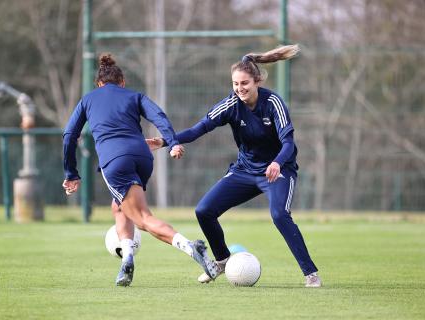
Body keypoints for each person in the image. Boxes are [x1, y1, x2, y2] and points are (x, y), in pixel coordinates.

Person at [148, 44, 322, 288]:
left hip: (278, 170)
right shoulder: (231, 104)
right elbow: (199, 129)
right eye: (235, 84)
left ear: (257, 81)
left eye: (244, 84)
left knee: (279, 215)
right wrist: (166, 141)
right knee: (204, 210)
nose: (239, 89)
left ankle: (311, 274)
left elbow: (289, 143)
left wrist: (277, 163)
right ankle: (221, 261)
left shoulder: (273, 103)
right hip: (245, 170)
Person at [62, 53, 217, 287]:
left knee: (143, 218)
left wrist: (71, 173)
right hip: (143, 156)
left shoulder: (88, 99)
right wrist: (172, 142)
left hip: (115, 160)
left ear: (99, 84)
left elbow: (69, 136)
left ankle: (189, 247)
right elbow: (159, 117)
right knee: (119, 206)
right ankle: (127, 259)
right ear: (122, 82)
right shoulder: (135, 96)